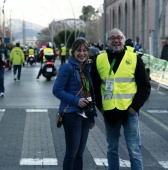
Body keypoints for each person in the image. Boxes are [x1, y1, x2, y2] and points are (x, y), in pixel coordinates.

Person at [91, 28, 151, 170]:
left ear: (123, 40)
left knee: (134, 150)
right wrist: (101, 108)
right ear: (107, 41)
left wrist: (134, 108)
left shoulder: (134, 58)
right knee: (112, 149)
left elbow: (145, 86)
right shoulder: (99, 59)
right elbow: (94, 86)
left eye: (119, 37)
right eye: (112, 38)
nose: (116, 40)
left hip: (129, 112)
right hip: (110, 112)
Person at [52, 37, 97, 170]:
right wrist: (76, 101)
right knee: (71, 154)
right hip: (72, 115)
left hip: (85, 115)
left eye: (84, 50)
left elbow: (90, 93)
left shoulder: (86, 68)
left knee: (80, 154)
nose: (82, 53)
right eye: (78, 50)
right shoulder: (67, 68)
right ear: (73, 52)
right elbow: (57, 90)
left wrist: (92, 116)